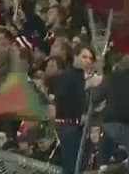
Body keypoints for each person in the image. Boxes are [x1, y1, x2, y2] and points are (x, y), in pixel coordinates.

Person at [52, 45, 96, 174]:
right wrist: (88, 85)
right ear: (75, 57)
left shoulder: (79, 76)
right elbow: (64, 99)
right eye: (84, 56)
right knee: (71, 165)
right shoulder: (68, 75)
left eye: (90, 58)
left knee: (77, 163)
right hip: (67, 124)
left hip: (74, 125)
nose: (87, 60)